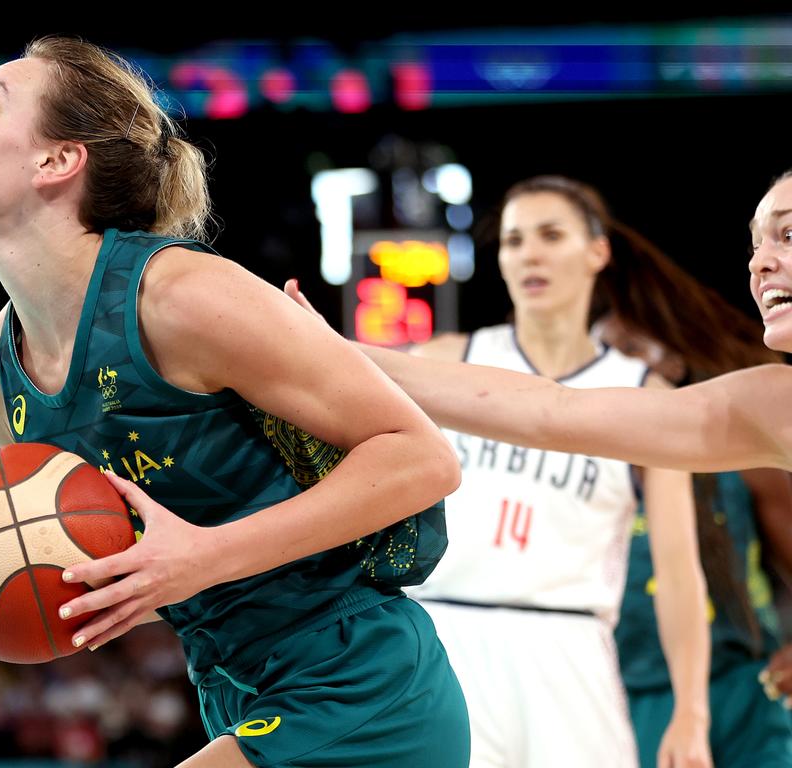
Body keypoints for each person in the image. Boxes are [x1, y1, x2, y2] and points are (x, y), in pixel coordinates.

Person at [0, 36, 467, 768]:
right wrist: (7, 592)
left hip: (356, 680)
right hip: (233, 690)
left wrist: (203, 558)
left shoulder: (177, 296)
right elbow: (134, 568)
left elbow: (422, 460)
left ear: (57, 161)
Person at [301, 175, 715, 767]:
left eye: (551, 235)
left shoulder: (644, 391)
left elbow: (679, 572)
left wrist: (691, 714)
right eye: (515, 240)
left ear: (598, 252)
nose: (530, 254)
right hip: (445, 636)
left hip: (571, 648)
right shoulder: (446, 360)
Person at [285, 170, 792, 474]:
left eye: (787, 236)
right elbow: (553, 411)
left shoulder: (648, 377)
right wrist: (333, 348)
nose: (759, 262)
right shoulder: (772, 401)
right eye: (755, 244)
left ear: (598, 253)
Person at [596, 316, 792, 767]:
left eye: (631, 345)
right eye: (608, 349)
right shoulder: (592, 467)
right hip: (632, 688)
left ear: (674, 357)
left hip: (742, 685)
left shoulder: (743, 456)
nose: (619, 362)